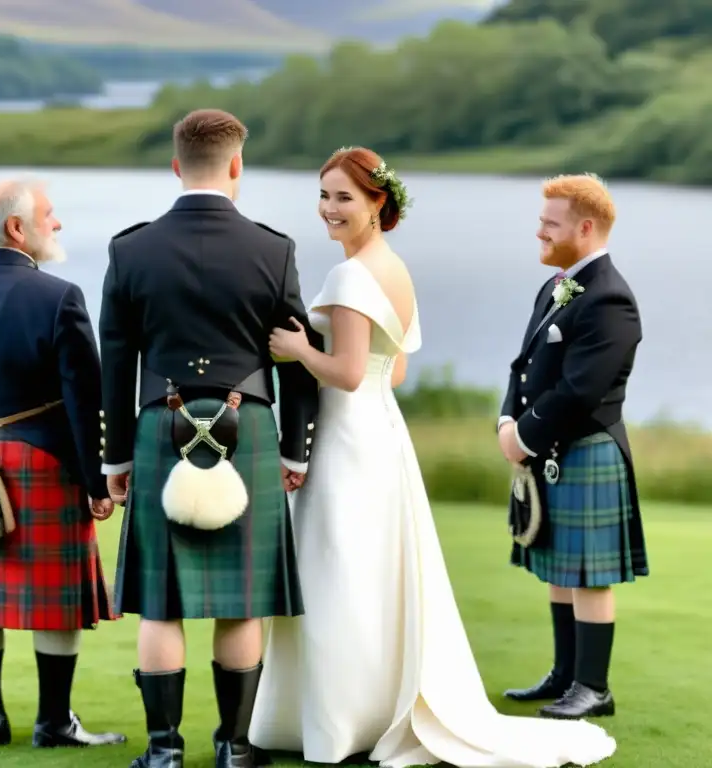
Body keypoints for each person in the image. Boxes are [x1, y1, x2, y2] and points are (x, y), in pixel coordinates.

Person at [248, 149, 618, 768]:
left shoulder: (348, 277)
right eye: (324, 195)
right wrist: (336, 360)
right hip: (382, 435)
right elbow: (392, 371)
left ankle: (337, 722)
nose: (329, 209)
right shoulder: (393, 268)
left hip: (345, 439)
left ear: (377, 204)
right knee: (367, 574)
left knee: (337, 572)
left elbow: (343, 373)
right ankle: (358, 710)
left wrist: (296, 349)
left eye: (344, 197)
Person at [99, 108, 320, 768]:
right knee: (241, 600)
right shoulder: (272, 249)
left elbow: (115, 360)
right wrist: (294, 448)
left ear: (175, 166)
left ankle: (164, 752)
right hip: (247, 424)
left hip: (157, 427)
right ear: (236, 166)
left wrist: (112, 457)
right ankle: (234, 749)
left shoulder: (130, 249)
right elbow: (298, 354)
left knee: (161, 606)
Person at [0, 179, 125, 749]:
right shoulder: (59, 296)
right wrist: (95, 481)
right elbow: (85, 401)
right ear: (18, 227)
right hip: (45, 461)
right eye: (50, 215)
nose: (56, 225)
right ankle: (53, 723)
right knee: (55, 595)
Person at [499, 173, 647, 719]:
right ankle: (565, 676)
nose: (539, 230)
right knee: (560, 569)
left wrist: (523, 436)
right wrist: (505, 419)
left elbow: (581, 389)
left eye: (549, 223)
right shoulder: (558, 283)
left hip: (587, 448)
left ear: (584, 228)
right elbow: (524, 366)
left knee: (588, 574)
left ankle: (594, 687)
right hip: (550, 451)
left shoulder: (610, 298)